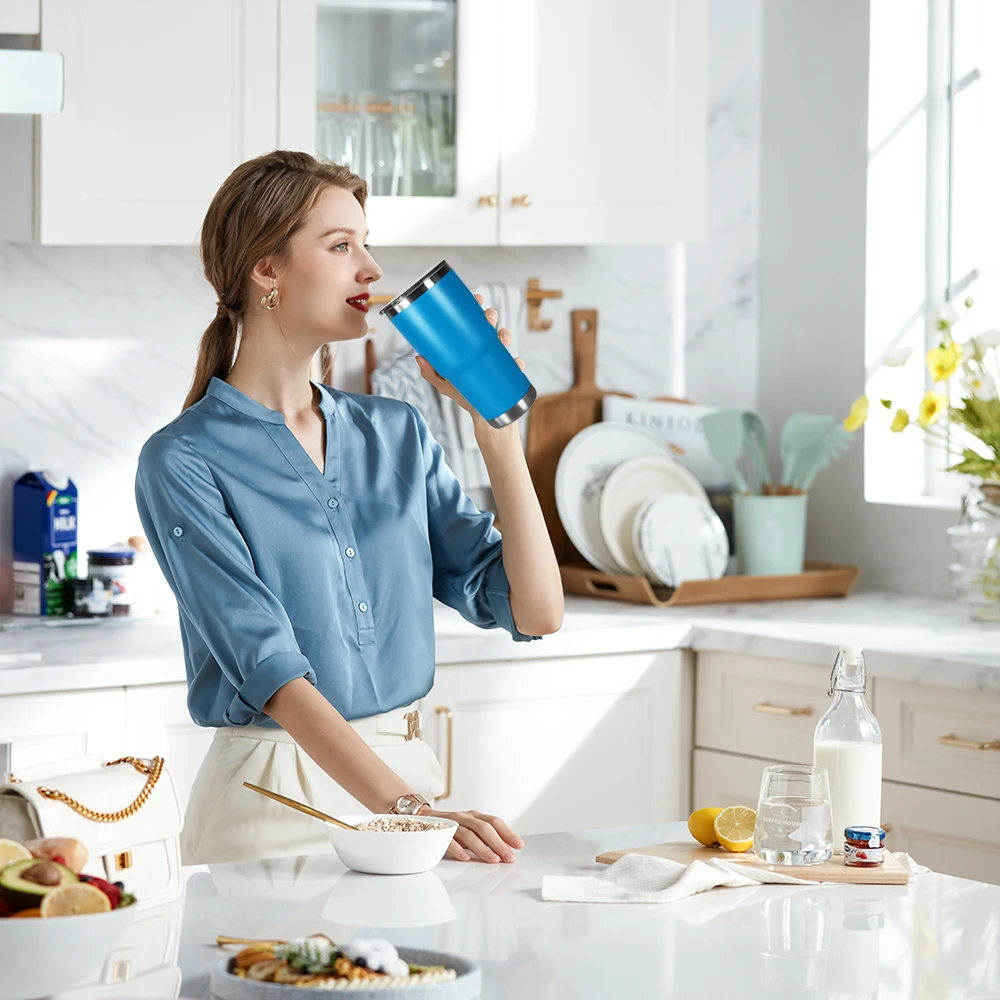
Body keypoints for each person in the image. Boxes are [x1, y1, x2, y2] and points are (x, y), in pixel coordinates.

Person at [135, 150, 564, 866]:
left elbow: (537, 610)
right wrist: (410, 816)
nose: (371, 270)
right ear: (265, 270)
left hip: (411, 786)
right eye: (341, 247)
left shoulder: (395, 432)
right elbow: (270, 673)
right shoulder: (182, 460)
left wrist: (497, 428)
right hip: (275, 803)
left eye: (367, 245)